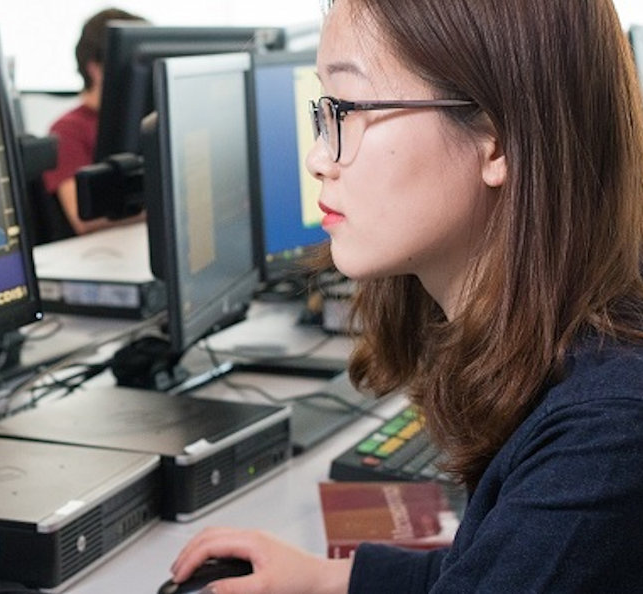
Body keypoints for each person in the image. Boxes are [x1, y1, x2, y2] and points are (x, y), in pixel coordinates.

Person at [168, 0, 643, 592]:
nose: (318, 157)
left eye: (346, 110)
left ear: (496, 144)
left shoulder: (605, 439)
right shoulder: (565, 361)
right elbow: (498, 562)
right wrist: (325, 579)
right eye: (322, 112)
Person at [43, 7, 147, 236]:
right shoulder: (67, 130)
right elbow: (84, 219)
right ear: (96, 69)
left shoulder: (145, 121)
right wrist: (163, 209)